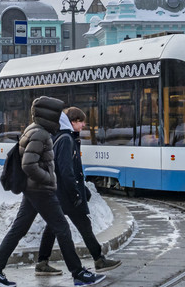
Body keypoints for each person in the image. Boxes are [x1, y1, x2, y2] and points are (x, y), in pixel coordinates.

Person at [0, 96, 106, 287]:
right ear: (49, 114)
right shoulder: (39, 133)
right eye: (57, 113)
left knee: (18, 230)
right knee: (62, 229)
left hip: (32, 190)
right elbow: (29, 165)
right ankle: (78, 274)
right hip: (40, 190)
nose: (60, 117)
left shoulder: (35, 130)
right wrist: (48, 179)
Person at [35, 107, 122, 276]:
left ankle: (42, 262)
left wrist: (84, 191)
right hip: (66, 193)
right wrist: (76, 193)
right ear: (72, 121)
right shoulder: (66, 139)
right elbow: (67, 171)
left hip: (59, 192)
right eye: (81, 121)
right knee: (82, 225)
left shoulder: (60, 136)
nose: (83, 125)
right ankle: (98, 260)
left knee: (54, 227)